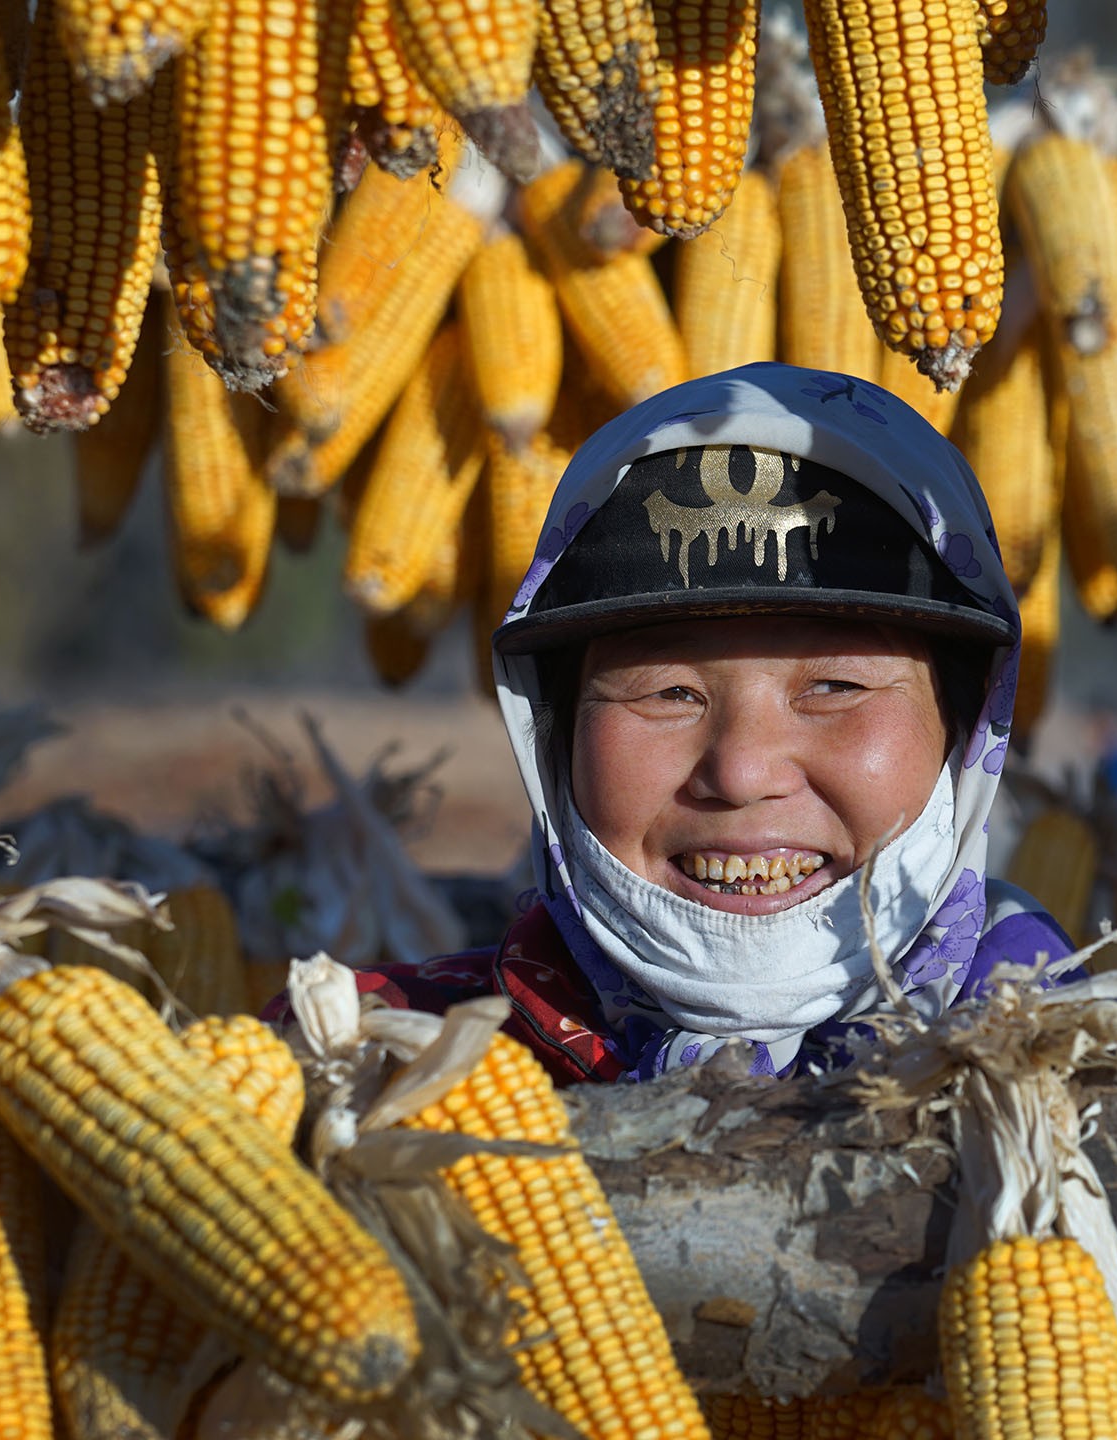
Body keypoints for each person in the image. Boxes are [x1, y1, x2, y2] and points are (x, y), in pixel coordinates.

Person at [311, 363, 1077, 1083]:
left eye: (835, 686)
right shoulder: (366, 1063)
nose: (742, 774)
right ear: (552, 737)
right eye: (667, 693)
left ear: (967, 724)